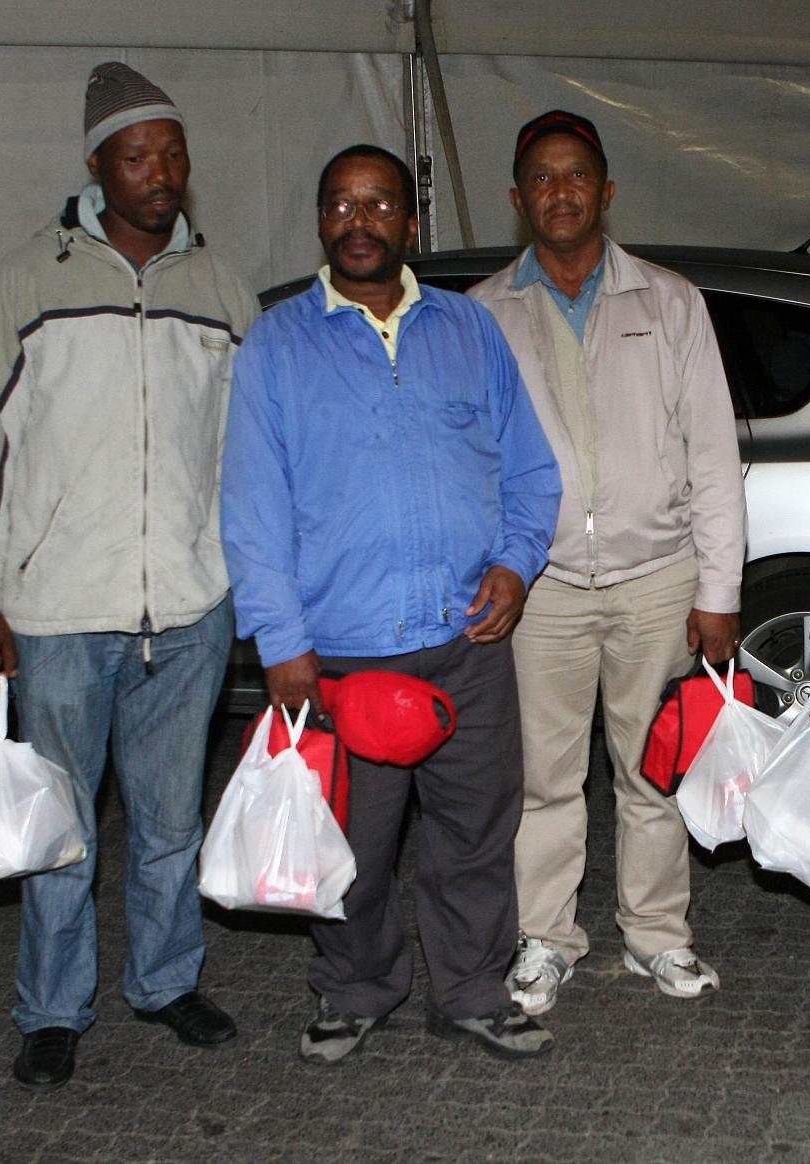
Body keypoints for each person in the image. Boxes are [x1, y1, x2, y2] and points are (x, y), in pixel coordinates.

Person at [0, 63, 259, 1090]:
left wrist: (249, 584)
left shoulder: (219, 290)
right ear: (96, 165)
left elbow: (247, 454)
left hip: (190, 610)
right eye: (136, 155)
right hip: (61, 611)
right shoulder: (31, 282)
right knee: (60, 829)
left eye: (172, 154)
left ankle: (165, 982)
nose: (159, 173)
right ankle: (52, 1009)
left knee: (171, 822)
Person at [219, 144, 563, 1065]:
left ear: (411, 223)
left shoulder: (468, 330)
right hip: (344, 654)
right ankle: (355, 987)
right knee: (350, 842)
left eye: (378, 205)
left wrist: (515, 566)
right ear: (320, 222)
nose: (359, 221)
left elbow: (530, 472)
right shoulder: (277, 346)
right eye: (340, 205)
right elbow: (252, 509)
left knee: (476, 833)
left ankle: (473, 989)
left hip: (466, 642)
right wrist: (281, 643)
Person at [466, 110, 746, 1015]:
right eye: (541, 178)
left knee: (653, 771)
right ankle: (545, 938)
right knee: (542, 779)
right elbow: (467, 459)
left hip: (657, 578)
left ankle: (657, 937)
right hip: (538, 587)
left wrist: (719, 589)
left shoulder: (669, 301)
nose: (561, 192)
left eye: (577, 174)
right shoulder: (480, 313)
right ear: (517, 200)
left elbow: (713, 453)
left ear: (608, 190)